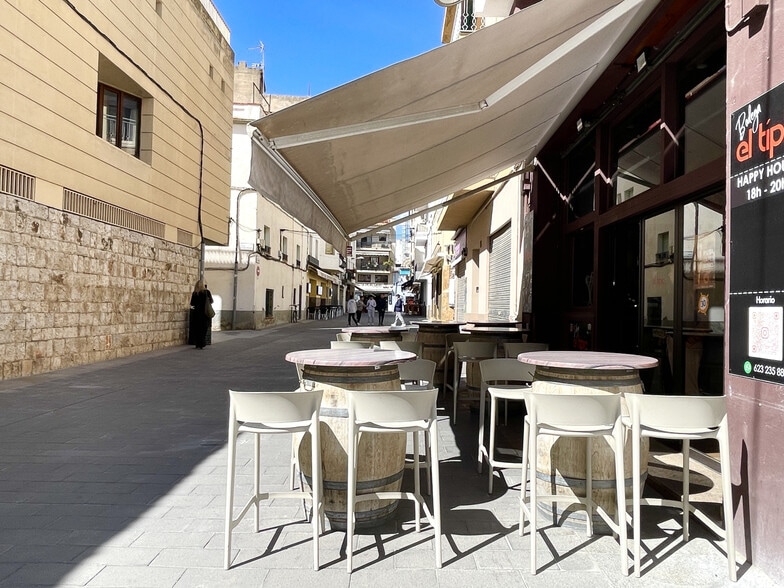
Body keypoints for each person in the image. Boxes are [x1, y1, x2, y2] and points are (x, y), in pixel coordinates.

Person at [189, 279, 213, 349]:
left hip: (196, 313)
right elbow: (211, 301)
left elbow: (192, 303)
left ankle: (197, 343)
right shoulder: (206, 292)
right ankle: (202, 343)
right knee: (203, 328)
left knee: (197, 328)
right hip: (205, 313)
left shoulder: (195, 293)